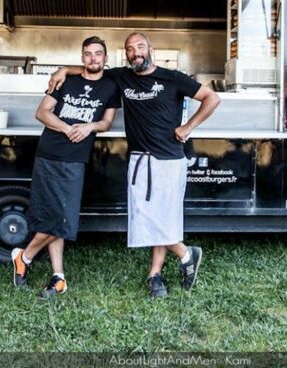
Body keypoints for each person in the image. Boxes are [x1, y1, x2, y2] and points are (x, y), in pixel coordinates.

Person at [49, 32, 221, 297]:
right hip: (140, 159)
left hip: (168, 159)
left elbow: (212, 98)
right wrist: (64, 70)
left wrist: (188, 126)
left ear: (151, 49)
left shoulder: (172, 77)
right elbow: (93, 68)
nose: (135, 52)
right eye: (130, 49)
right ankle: (185, 254)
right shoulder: (122, 77)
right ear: (126, 54)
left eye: (140, 47)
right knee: (150, 217)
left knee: (160, 217)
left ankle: (157, 274)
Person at [12, 36, 120, 299]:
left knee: (63, 218)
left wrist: (89, 127)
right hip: (49, 154)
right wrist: (68, 128)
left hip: (75, 160)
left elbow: (106, 122)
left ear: (106, 58)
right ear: (82, 57)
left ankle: (24, 257)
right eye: (88, 54)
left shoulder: (111, 86)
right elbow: (42, 112)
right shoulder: (66, 80)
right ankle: (59, 277)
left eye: (98, 54)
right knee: (52, 216)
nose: (93, 58)